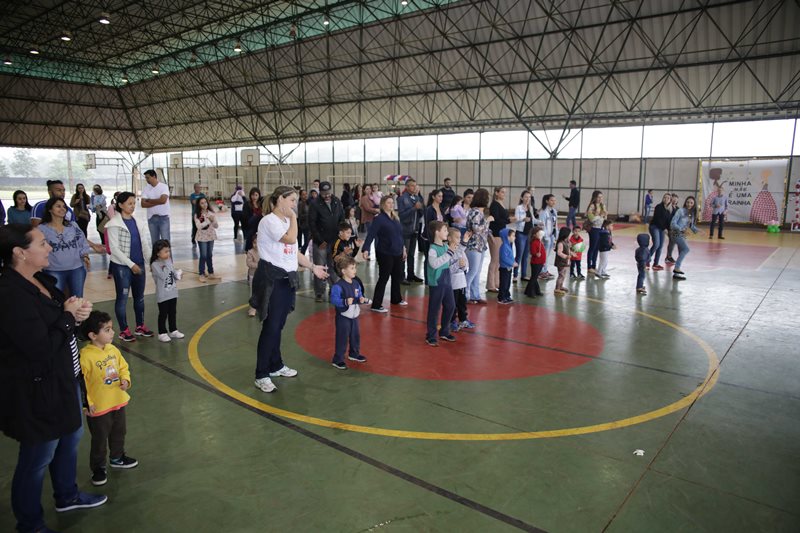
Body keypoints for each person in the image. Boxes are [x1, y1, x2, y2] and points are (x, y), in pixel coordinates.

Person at [0, 224, 106, 533]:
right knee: (38, 457)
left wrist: (76, 314)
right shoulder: (10, 294)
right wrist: (68, 317)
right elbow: (39, 347)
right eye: (42, 244)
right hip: (37, 388)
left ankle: (67, 495)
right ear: (20, 253)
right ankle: (30, 523)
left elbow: (59, 321)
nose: (50, 248)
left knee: (70, 438)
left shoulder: (41, 280)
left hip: (63, 379)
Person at [251, 186, 328, 393]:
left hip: (287, 279)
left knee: (279, 325)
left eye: (295, 201)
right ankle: (261, 374)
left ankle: (275, 365)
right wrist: (294, 217)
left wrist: (312, 267)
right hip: (272, 279)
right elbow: (291, 239)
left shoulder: (285, 222)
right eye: (292, 200)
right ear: (280, 200)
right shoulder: (269, 221)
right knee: (271, 327)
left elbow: (294, 251)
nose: (295, 204)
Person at [79, 311, 138, 487]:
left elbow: (123, 367)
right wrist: (86, 404)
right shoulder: (85, 356)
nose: (112, 332)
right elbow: (81, 383)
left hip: (117, 401)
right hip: (98, 407)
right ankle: (98, 467)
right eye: (107, 330)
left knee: (119, 432)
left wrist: (125, 380)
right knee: (99, 439)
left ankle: (117, 457)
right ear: (93, 335)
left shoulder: (113, 349)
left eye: (111, 328)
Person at [105, 191, 154, 342]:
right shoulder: (113, 224)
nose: (133, 206)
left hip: (139, 264)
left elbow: (145, 243)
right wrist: (131, 265)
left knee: (139, 298)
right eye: (129, 203)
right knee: (122, 298)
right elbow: (114, 249)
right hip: (122, 267)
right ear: (120, 205)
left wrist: (150, 261)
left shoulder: (138, 222)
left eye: (134, 203)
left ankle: (140, 326)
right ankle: (124, 330)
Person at [39, 198, 97, 298]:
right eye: (58, 206)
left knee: (77, 299)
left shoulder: (73, 225)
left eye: (64, 206)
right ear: (50, 209)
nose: (62, 209)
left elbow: (82, 241)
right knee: (56, 299)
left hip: (77, 269)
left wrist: (85, 256)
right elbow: (38, 249)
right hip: (53, 270)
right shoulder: (41, 229)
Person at [362, 195, 407, 313]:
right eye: (388, 203)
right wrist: (366, 249)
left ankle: (396, 299)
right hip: (385, 252)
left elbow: (399, 235)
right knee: (384, 277)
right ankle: (376, 304)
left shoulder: (395, 218)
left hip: (397, 251)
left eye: (392, 202)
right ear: (383, 204)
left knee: (397, 276)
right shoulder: (379, 219)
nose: (391, 205)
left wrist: (403, 248)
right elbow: (371, 234)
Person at [330, 255, 369, 370]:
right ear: (343, 271)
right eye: (352, 268)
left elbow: (359, 294)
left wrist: (361, 298)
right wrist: (345, 301)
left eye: (355, 267)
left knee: (355, 335)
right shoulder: (338, 286)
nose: (355, 270)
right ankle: (338, 359)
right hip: (343, 317)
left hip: (354, 315)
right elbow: (334, 300)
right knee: (342, 337)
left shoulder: (356, 283)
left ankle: (354, 353)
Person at [309, 181, 345, 302]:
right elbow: (312, 224)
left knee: (334, 266)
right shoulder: (315, 204)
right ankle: (319, 292)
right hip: (321, 242)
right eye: (324, 193)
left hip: (334, 241)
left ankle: (334, 289)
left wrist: (342, 235)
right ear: (320, 192)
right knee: (320, 266)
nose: (327, 195)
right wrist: (320, 240)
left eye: (328, 193)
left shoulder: (336, 201)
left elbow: (342, 218)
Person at [425, 221, 456, 347]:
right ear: (437, 232)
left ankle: (444, 331)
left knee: (450, 306)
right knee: (434, 309)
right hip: (437, 282)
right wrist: (449, 254)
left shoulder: (445, 246)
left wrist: (457, 261)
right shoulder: (433, 249)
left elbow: (449, 260)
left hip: (447, 281)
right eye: (445, 230)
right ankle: (431, 335)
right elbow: (434, 264)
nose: (447, 233)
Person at [150, 240, 185, 343]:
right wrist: (167, 264)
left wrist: (178, 274)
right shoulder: (155, 264)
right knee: (163, 313)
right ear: (158, 253)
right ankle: (162, 333)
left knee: (172, 312)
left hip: (172, 292)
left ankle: (173, 330)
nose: (168, 253)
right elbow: (163, 276)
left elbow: (172, 273)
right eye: (165, 251)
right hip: (163, 294)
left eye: (169, 251)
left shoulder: (169, 261)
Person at [465, 188, 492, 304]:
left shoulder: (479, 212)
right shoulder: (475, 212)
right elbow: (476, 229)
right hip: (474, 245)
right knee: (473, 271)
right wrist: (487, 221)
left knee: (477, 272)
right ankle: (464, 295)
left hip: (480, 245)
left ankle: (475, 295)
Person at [397, 179, 424, 283]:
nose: (414, 187)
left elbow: (420, 214)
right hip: (405, 230)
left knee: (412, 254)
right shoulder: (402, 199)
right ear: (407, 187)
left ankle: (411, 274)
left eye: (415, 185)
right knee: (404, 254)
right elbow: (401, 215)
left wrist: (421, 208)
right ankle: (401, 276)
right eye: (412, 185)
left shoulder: (417, 198)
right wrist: (414, 208)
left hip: (415, 229)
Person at [447, 227, 474, 331]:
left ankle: (463, 319)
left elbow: (465, 264)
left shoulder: (461, 250)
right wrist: (458, 265)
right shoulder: (448, 251)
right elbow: (448, 268)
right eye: (457, 237)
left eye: (460, 238)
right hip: (453, 283)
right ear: (449, 238)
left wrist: (463, 267)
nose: (459, 240)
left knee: (462, 303)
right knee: (452, 304)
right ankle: (451, 321)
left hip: (461, 282)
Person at [487, 187, 514, 292]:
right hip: (495, 234)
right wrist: (508, 220)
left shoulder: (502, 204)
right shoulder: (494, 205)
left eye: (504, 192)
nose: (504, 194)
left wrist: (508, 220)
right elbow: (496, 219)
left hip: (501, 234)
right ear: (496, 193)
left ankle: (497, 282)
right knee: (494, 260)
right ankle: (490, 284)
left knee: (499, 260)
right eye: (502, 192)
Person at [670, 196, 699, 280]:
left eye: (691, 203)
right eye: (688, 202)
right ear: (685, 202)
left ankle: (676, 274)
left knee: (681, 251)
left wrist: (698, 231)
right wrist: (681, 229)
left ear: (694, 204)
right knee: (686, 249)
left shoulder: (691, 214)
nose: (689, 204)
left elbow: (691, 225)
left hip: (682, 234)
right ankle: (676, 268)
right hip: (675, 233)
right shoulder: (680, 211)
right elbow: (673, 223)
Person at [421, 188, 445, 284]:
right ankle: (428, 279)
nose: (441, 198)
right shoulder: (429, 210)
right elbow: (428, 225)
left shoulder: (441, 209)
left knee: (438, 258)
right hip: (429, 238)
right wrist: (431, 239)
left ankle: (436, 277)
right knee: (429, 259)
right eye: (439, 196)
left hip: (439, 238)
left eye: (442, 196)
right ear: (433, 197)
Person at [140, 169, 171, 243]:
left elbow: (163, 200)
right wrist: (158, 201)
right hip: (151, 218)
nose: (146, 180)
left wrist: (149, 200)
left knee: (165, 241)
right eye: (146, 178)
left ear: (154, 176)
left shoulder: (163, 187)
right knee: (154, 242)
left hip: (163, 218)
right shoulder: (146, 188)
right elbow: (143, 204)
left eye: (148, 178)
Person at [194, 197, 219, 282]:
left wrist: (213, 221)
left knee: (209, 255)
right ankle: (201, 273)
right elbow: (199, 226)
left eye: (205, 202)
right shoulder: (197, 215)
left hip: (210, 236)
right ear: (199, 205)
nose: (204, 204)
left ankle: (211, 273)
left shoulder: (211, 213)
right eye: (202, 203)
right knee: (203, 255)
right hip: (202, 237)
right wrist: (208, 220)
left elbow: (216, 226)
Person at [514, 190, 536, 281]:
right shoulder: (518, 208)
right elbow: (516, 219)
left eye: (529, 197)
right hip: (521, 233)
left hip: (529, 234)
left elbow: (533, 219)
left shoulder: (530, 208)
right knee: (519, 255)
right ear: (522, 198)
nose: (528, 199)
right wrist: (523, 219)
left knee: (526, 256)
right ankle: (515, 275)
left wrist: (540, 222)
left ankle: (524, 275)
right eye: (526, 197)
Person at [648, 193, 673, 271]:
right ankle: (646, 260)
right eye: (664, 197)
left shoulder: (669, 210)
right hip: (654, 227)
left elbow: (668, 222)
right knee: (656, 244)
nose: (666, 199)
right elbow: (657, 219)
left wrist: (670, 231)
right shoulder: (658, 207)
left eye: (668, 198)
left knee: (660, 246)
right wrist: (664, 229)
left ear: (670, 200)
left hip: (662, 229)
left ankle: (656, 264)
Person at [586, 190, 607, 275]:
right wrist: (600, 216)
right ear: (594, 197)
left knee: (597, 248)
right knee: (592, 247)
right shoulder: (592, 206)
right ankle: (589, 267)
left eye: (601, 197)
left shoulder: (603, 206)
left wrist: (603, 215)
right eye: (598, 197)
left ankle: (594, 266)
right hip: (594, 228)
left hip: (600, 228)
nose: (600, 199)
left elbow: (605, 218)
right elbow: (592, 219)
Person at [539, 194, 558, 279]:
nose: (554, 202)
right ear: (547, 201)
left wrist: (556, 235)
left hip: (552, 236)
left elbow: (555, 224)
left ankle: (545, 270)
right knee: (544, 255)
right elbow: (542, 225)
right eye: (551, 200)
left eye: (554, 200)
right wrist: (545, 237)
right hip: (546, 237)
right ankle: (541, 271)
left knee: (548, 255)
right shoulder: (543, 212)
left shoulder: (554, 211)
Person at [524, 229, 546, 298]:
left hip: (540, 262)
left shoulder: (539, 241)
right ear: (534, 234)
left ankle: (534, 291)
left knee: (534, 277)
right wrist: (536, 254)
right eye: (538, 233)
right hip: (536, 263)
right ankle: (530, 293)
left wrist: (543, 262)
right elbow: (532, 252)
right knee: (534, 278)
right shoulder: (534, 242)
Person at [359, 184, 380, 255]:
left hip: (374, 218)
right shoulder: (364, 198)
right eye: (367, 189)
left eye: (369, 189)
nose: (369, 190)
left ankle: (377, 252)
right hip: (368, 219)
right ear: (364, 190)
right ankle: (367, 252)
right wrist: (376, 210)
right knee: (371, 236)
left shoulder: (372, 197)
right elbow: (367, 208)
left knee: (376, 236)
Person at [498, 228, 517, 304]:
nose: (514, 237)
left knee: (508, 283)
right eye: (513, 236)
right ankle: (501, 298)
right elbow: (504, 258)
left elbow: (510, 256)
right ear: (507, 237)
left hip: (508, 268)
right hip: (504, 268)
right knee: (504, 284)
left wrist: (513, 261)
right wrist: (512, 263)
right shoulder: (504, 246)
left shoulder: (508, 245)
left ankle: (506, 296)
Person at [242, 187, 263, 252]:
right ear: (250, 195)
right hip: (250, 226)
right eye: (253, 195)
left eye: (256, 195)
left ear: (259, 195)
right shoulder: (247, 204)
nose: (254, 197)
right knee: (250, 241)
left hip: (260, 226)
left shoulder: (261, 204)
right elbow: (245, 217)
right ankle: (248, 250)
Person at [553, 227, 573, 296]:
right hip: (561, 262)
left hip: (565, 262)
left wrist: (572, 253)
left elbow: (568, 250)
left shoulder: (566, 242)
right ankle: (557, 288)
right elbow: (559, 253)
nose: (569, 236)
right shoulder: (561, 243)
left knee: (563, 275)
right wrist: (566, 256)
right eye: (569, 234)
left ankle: (560, 286)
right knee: (561, 275)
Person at [246, 234, 260, 318]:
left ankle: (263, 307)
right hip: (253, 276)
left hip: (264, 276)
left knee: (264, 292)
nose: (256, 245)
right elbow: (249, 263)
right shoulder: (250, 252)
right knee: (253, 292)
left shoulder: (265, 251)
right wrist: (259, 265)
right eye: (254, 242)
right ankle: (252, 308)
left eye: (258, 243)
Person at [665, 193, 680, 264]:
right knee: (672, 241)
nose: (675, 201)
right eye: (673, 199)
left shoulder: (678, 209)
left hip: (675, 228)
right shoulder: (668, 208)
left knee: (672, 242)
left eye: (676, 199)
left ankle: (668, 256)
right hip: (669, 228)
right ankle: (668, 257)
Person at [297, 189, 311, 254]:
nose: (305, 196)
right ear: (300, 196)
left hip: (309, 224)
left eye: (306, 194)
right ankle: (301, 254)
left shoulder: (309, 202)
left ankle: (301, 253)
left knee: (308, 241)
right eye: (303, 194)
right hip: (305, 225)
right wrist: (309, 214)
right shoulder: (300, 203)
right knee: (306, 242)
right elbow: (300, 215)